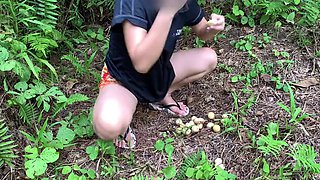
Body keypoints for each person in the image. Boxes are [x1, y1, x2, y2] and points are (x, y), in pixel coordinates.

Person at [93, 0, 225, 148]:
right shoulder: (132, 3)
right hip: (123, 81)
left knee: (208, 59)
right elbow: (141, 64)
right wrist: (168, 11)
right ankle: (124, 109)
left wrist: (213, 28)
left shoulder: (183, 2)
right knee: (107, 126)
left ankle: (160, 95)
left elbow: (202, 31)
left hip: (158, 73)